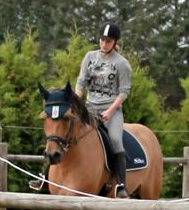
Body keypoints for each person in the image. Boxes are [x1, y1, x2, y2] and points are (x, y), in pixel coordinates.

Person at [31, 22, 133, 197]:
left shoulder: (122, 64)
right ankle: (45, 177)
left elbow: (124, 92)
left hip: (112, 111)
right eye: (102, 40)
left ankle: (121, 185)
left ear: (115, 42)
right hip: (89, 107)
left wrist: (110, 111)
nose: (104, 44)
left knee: (115, 140)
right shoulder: (90, 57)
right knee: (64, 134)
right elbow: (81, 82)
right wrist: (75, 101)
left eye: (108, 41)